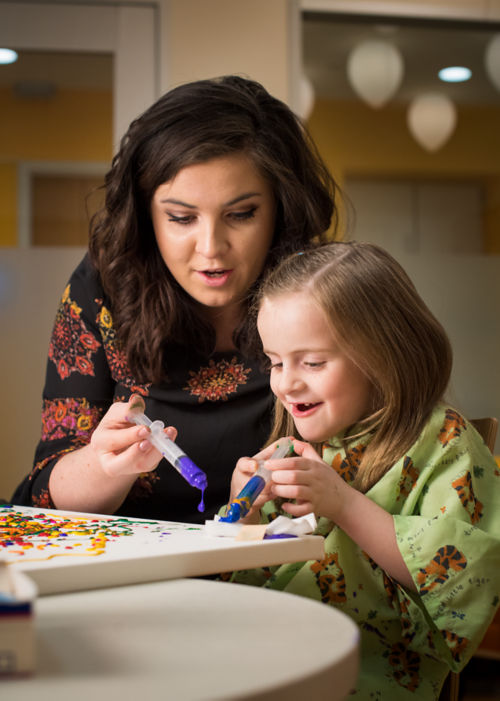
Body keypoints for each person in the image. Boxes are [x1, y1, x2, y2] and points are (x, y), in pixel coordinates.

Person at [11, 75, 340, 524]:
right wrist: (105, 467)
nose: (211, 247)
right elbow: (44, 494)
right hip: (134, 573)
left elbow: (384, 460)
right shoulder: (104, 290)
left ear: (281, 208)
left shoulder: (325, 291)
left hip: (278, 571)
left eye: (241, 214)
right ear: (147, 217)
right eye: (182, 218)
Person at [223, 241, 500, 699]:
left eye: (311, 362)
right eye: (274, 362)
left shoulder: (445, 442)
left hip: (360, 676)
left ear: (383, 352)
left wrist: (344, 504)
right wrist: (246, 518)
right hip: (263, 656)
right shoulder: (303, 446)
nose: (286, 382)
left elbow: (462, 583)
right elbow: (251, 582)